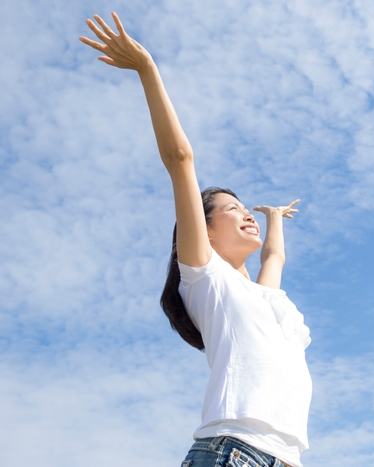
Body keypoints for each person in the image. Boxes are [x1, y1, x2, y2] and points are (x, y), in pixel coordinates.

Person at [80, 13, 312, 467]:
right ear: (203, 230)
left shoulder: (264, 297)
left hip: (284, 459)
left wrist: (274, 216)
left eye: (247, 209)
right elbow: (180, 158)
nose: (246, 214)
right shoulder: (206, 279)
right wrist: (148, 68)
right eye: (232, 208)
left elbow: (275, 255)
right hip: (233, 452)